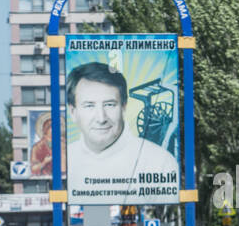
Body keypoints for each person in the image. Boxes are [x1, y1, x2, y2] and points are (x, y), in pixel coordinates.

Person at [65, 62, 179, 202]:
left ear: (124, 107)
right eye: (89, 105)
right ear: (73, 112)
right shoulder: (64, 161)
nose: (101, 118)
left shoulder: (161, 162)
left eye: (110, 104)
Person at [29, 112, 55, 179]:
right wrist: (44, 162)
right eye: (52, 127)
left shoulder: (61, 144)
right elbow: (33, 169)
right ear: (46, 129)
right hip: (44, 177)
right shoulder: (37, 147)